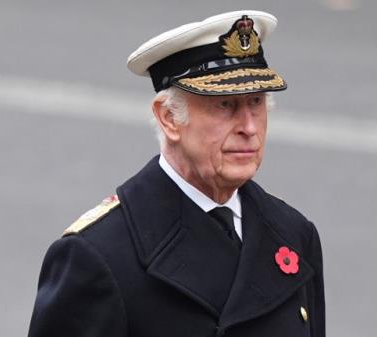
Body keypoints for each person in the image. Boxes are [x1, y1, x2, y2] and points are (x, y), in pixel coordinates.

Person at [28, 10, 325, 337]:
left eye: (255, 102)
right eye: (225, 106)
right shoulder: (100, 255)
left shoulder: (293, 234)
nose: (249, 127)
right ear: (169, 117)